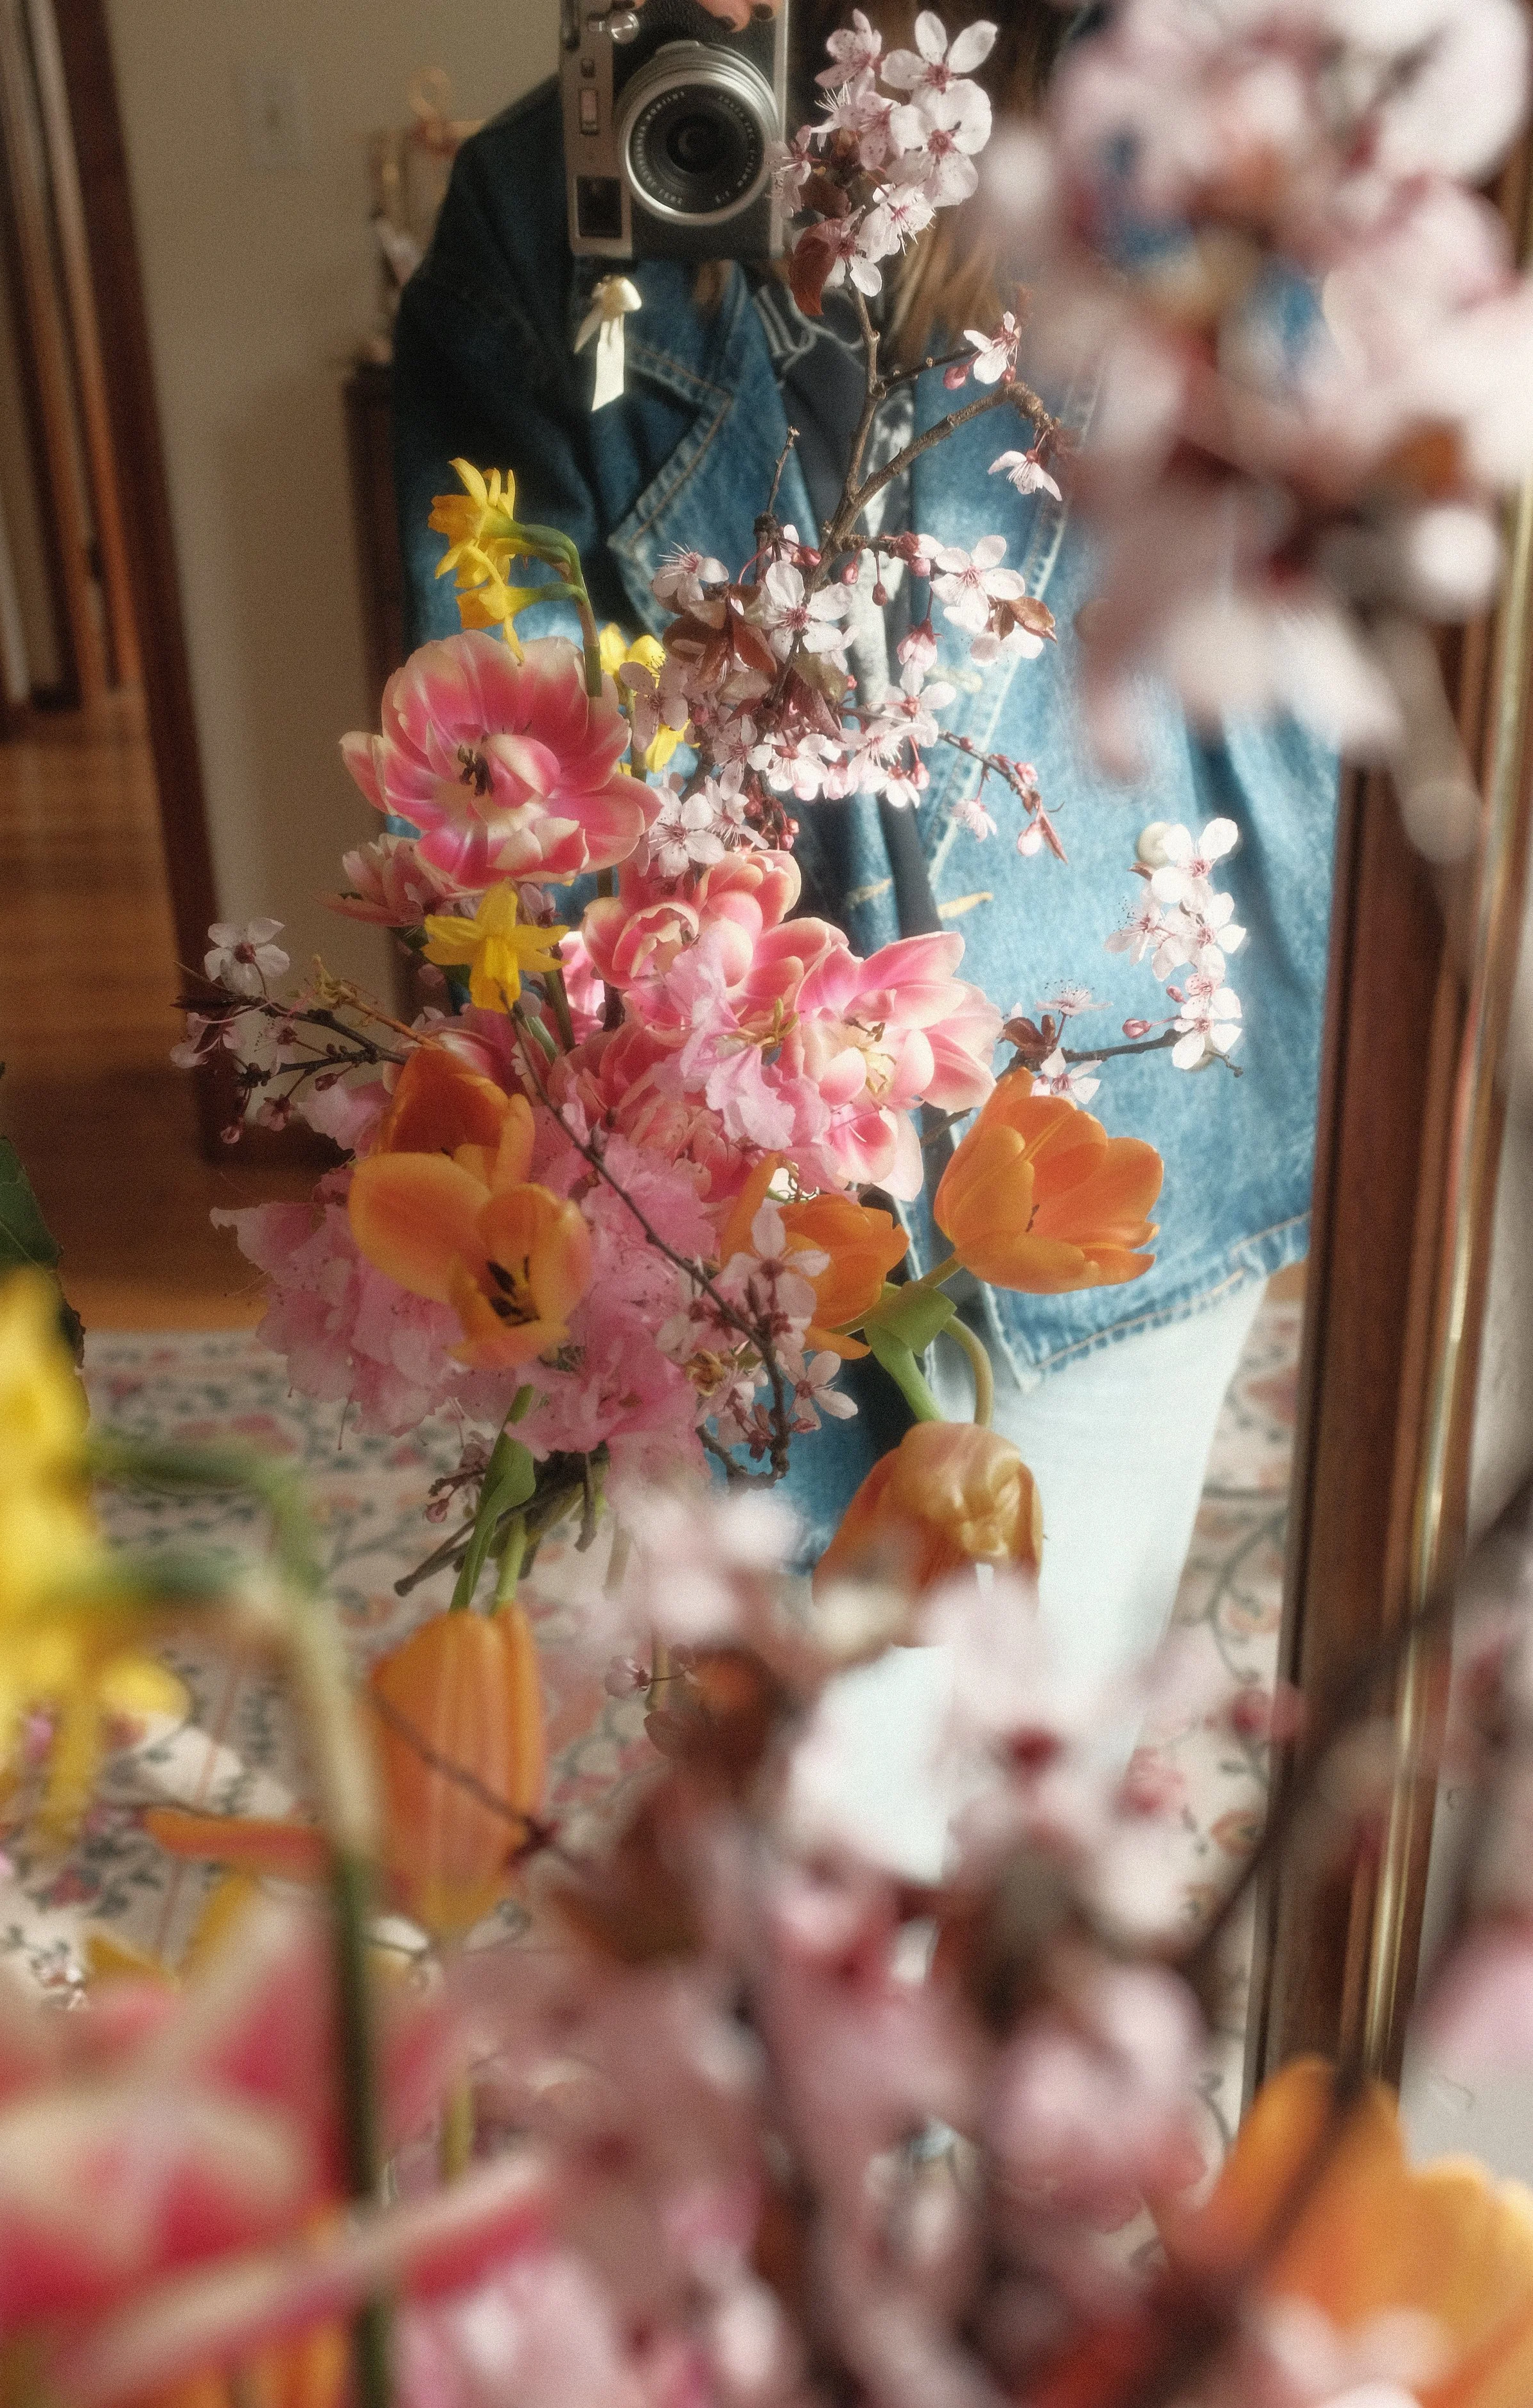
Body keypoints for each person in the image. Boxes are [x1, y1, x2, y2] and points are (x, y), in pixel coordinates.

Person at [389, 0, 1338, 1691]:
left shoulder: (1172, 112)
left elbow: (1321, 535)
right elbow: (497, 769)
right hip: (732, 1146)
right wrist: (590, 1145)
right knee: (804, 1732)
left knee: (1035, 1702)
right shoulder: (543, 214)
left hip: (1118, 1088)